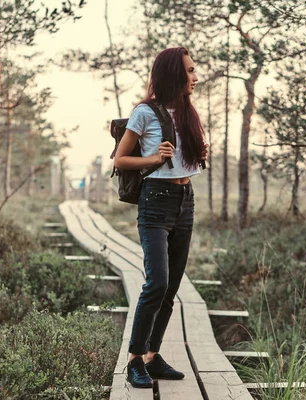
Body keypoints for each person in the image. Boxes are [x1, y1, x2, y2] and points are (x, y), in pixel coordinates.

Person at [113, 46, 207, 389]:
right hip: (156, 203)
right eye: (190, 70)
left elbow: (187, 161)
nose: (195, 77)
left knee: (171, 287)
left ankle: (153, 356)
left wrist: (198, 154)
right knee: (156, 283)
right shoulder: (145, 112)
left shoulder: (189, 113)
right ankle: (134, 359)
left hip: (185, 203)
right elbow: (120, 161)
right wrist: (153, 159)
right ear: (173, 73)